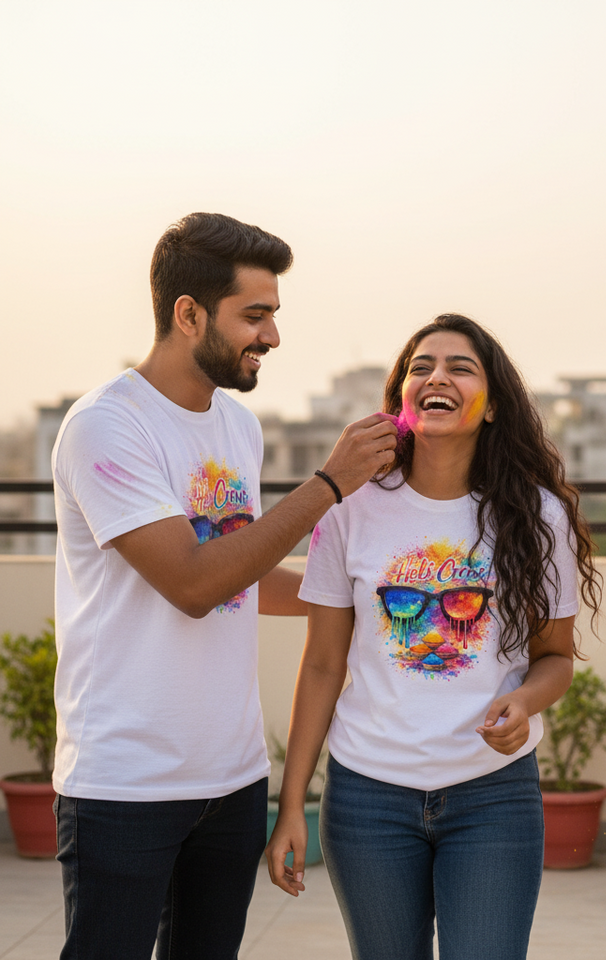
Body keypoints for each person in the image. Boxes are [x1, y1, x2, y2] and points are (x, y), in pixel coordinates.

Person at [51, 212, 397, 960]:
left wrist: (363, 593)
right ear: (188, 314)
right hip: (126, 784)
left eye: (273, 315)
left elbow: (239, 572)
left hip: (233, 779)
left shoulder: (237, 427)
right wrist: (331, 484)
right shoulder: (107, 428)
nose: (271, 336)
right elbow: (192, 582)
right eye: (255, 315)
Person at [266, 313, 601, 960]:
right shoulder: (350, 510)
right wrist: (290, 806)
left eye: (459, 367)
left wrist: (525, 701)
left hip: (493, 796)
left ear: (493, 404)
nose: (436, 376)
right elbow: (322, 667)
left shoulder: (539, 517)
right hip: (366, 798)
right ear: (400, 400)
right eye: (421, 367)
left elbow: (555, 659)